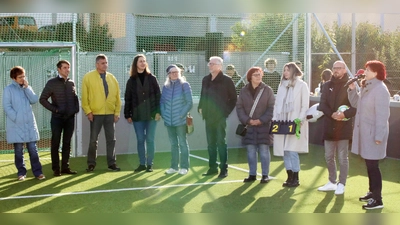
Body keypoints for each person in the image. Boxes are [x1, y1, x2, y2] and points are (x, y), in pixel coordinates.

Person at [348, 60, 390, 210]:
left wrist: (379, 136)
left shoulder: (380, 90)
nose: (364, 72)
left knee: (373, 166)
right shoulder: (368, 87)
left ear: (376, 72)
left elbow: (382, 116)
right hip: (366, 133)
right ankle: (372, 193)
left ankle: (378, 200)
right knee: (370, 165)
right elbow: (356, 105)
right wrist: (352, 89)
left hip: (373, 135)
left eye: (368, 69)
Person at [317, 61, 356, 195]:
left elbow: (355, 106)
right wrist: (331, 114)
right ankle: (332, 182)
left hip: (343, 128)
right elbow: (322, 104)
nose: (336, 70)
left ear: (345, 70)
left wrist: (343, 114)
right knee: (328, 156)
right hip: (329, 126)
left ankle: (342, 183)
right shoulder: (327, 85)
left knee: (342, 157)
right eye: (334, 68)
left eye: (339, 68)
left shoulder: (350, 86)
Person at [2, 66, 45, 181]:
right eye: (20, 77)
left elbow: (34, 100)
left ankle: (38, 172)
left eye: (23, 76)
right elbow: (7, 106)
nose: (23, 79)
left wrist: (27, 88)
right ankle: (21, 173)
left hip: (29, 124)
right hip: (16, 125)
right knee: (18, 151)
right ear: (14, 78)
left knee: (33, 149)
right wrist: (16, 118)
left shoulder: (26, 88)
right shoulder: (8, 89)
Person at [81, 54, 122, 172]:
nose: (105, 65)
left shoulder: (112, 78)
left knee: (111, 139)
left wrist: (117, 112)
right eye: (103, 63)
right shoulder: (88, 77)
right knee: (93, 140)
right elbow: (85, 97)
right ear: (97, 64)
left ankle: (112, 163)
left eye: (106, 63)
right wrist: (88, 111)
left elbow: (117, 97)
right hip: (95, 114)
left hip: (110, 113)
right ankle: (91, 164)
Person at [198, 56, 237, 178]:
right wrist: (200, 107)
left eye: (213, 64)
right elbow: (203, 95)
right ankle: (212, 167)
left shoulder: (227, 80)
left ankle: (223, 169)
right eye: (209, 63)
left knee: (221, 142)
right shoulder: (206, 79)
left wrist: (225, 113)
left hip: (220, 117)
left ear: (220, 66)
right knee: (211, 144)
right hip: (208, 117)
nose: (210, 65)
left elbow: (233, 99)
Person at [40, 60, 80, 176]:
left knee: (67, 143)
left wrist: (75, 109)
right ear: (59, 69)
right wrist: (56, 110)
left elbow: (75, 98)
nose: (67, 70)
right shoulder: (52, 83)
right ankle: (56, 169)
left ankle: (65, 167)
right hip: (57, 119)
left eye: (68, 67)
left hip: (70, 118)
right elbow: (42, 99)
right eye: (65, 68)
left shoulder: (71, 83)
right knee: (55, 143)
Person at [273, 62, 309, 187]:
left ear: (294, 71)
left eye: (288, 70)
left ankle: (296, 178)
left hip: (295, 121)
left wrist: (299, 120)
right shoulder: (282, 85)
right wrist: (275, 118)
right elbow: (277, 104)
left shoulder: (302, 85)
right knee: (285, 150)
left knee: (292, 150)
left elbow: (305, 105)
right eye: (284, 70)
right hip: (282, 120)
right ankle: (289, 177)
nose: (285, 72)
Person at [236, 67, 275, 183]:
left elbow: (271, 108)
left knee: (264, 151)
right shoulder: (244, 90)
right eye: (255, 75)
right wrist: (247, 120)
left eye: (259, 74)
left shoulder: (267, 90)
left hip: (264, 126)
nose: (258, 76)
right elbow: (239, 107)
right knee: (251, 152)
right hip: (249, 127)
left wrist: (261, 120)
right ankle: (252, 174)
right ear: (250, 77)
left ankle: (265, 175)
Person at [124, 54, 161, 173]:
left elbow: (158, 96)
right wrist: (128, 115)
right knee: (140, 139)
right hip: (137, 116)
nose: (143, 63)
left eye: (144, 61)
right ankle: (142, 164)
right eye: (140, 61)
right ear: (136, 64)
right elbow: (128, 98)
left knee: (150, 139)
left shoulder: (152, 78)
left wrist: (158, 112)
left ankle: (150, 164)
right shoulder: (131, 81)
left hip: (151, 115)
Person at [160, 65, 193, 175]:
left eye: (177, 72)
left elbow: (189, 103)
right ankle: (174, 167)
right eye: (172, 72)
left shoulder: (185, 85)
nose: (175, 73)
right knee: (173, 144)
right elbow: (162, 102)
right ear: (168, 75)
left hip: (180, 121)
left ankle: (184, 167)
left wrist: (181, 115)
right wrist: (164, 114)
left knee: (183, 143)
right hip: (169, 122)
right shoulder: (166, 87)